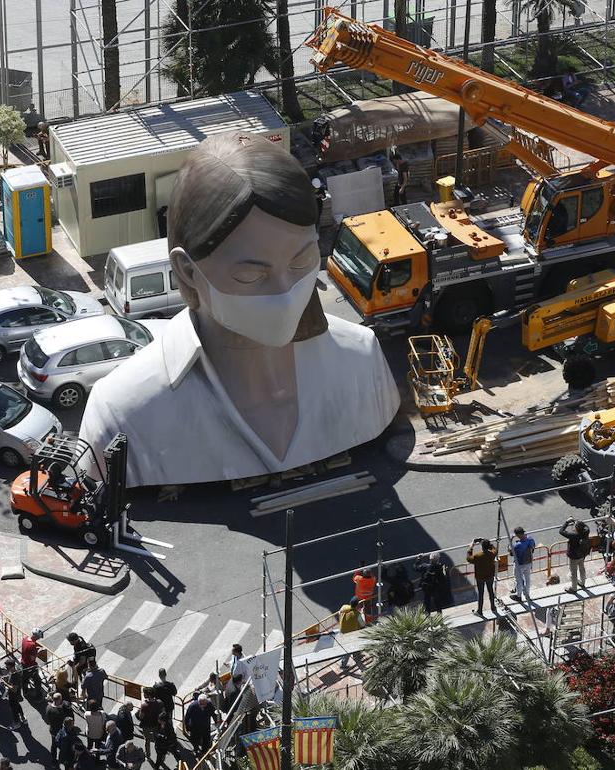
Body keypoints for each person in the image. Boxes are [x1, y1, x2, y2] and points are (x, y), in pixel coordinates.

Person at [78, 132, 400, 488]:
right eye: (251, 274)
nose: (284, 292)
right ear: (188, 271)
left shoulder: (362, 358)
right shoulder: (120, 414)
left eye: (301, 260)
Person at [467, 537, 498, 615]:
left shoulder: (478, 556)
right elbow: (495, 549)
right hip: (490, 576)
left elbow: (469, 558)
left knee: (481, 593)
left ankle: (480, 611)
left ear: (482, 546)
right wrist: (487, 542)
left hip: (480, 577)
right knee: (490, 591)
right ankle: (493, 607)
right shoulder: (492, 554)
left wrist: (471, 547)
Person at [560, 518, 591, 592]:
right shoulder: (586, 531)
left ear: (576, 528)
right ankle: (582, 583)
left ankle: (574, 588)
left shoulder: (573, 535)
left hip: (574, 556)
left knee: (573, 572)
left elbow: (561, 531)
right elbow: (585, 526)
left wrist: (567, 522)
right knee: (582, 569)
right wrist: (578, 523)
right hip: (582, 554)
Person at [183, 695, 216, 759]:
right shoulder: (192, 706)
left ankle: (204, 752)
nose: (202, 705)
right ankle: (196, 750)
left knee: (206, 741)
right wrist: (187, 727)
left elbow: (213, 714)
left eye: (204, 704)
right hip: (195, 728)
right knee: (195, 740)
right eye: (201, 704)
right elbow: (187, 717)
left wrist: (217, 722)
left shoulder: (209, 704)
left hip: (205, 727)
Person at [509, 527, 536, 603]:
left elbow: (510, 552)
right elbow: (533, 547)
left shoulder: (517, 545)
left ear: (517, 535)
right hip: (529, 562)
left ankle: (518, 596)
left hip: (519, 565)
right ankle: (527, 595)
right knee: (527, 579)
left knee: (519, 581)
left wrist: (510, 540)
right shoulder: (530, 539)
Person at [45, 691, 70, 759]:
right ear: (59, 700)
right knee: (62, 744)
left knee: (54, 745)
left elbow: (47, 719)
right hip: (60, 730)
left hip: (52, 729)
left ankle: (53, 759)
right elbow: (65, 720)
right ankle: (63, 758)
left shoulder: (48, 707)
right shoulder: (59, 711)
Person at [4, 657, 27, 729]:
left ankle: (17, 723)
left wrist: (5, 683)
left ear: (12, 667)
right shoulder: (16, 670)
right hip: (17, 694)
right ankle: (22, 717)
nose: (6, 668)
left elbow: (14, 689)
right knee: (17, 705)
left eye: (8, 667)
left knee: (14, 709)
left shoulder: (15, 676)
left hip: (13, 694)